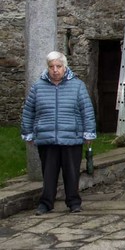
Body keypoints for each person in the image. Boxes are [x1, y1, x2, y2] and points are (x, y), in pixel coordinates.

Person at [21, 51, 96, 215]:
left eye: (58, 66)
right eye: (51, 67)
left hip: (71, 137)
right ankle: (46, 203)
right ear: (48, 68)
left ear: (65, 67)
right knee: (48, 174)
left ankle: (74, 202)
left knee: (72, 173)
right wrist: (27, 132)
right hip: (47, 138)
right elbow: (29, 111)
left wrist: (89, 133)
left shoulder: (77, 86)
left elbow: (87, 111)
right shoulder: (38, 87)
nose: (55, 70)